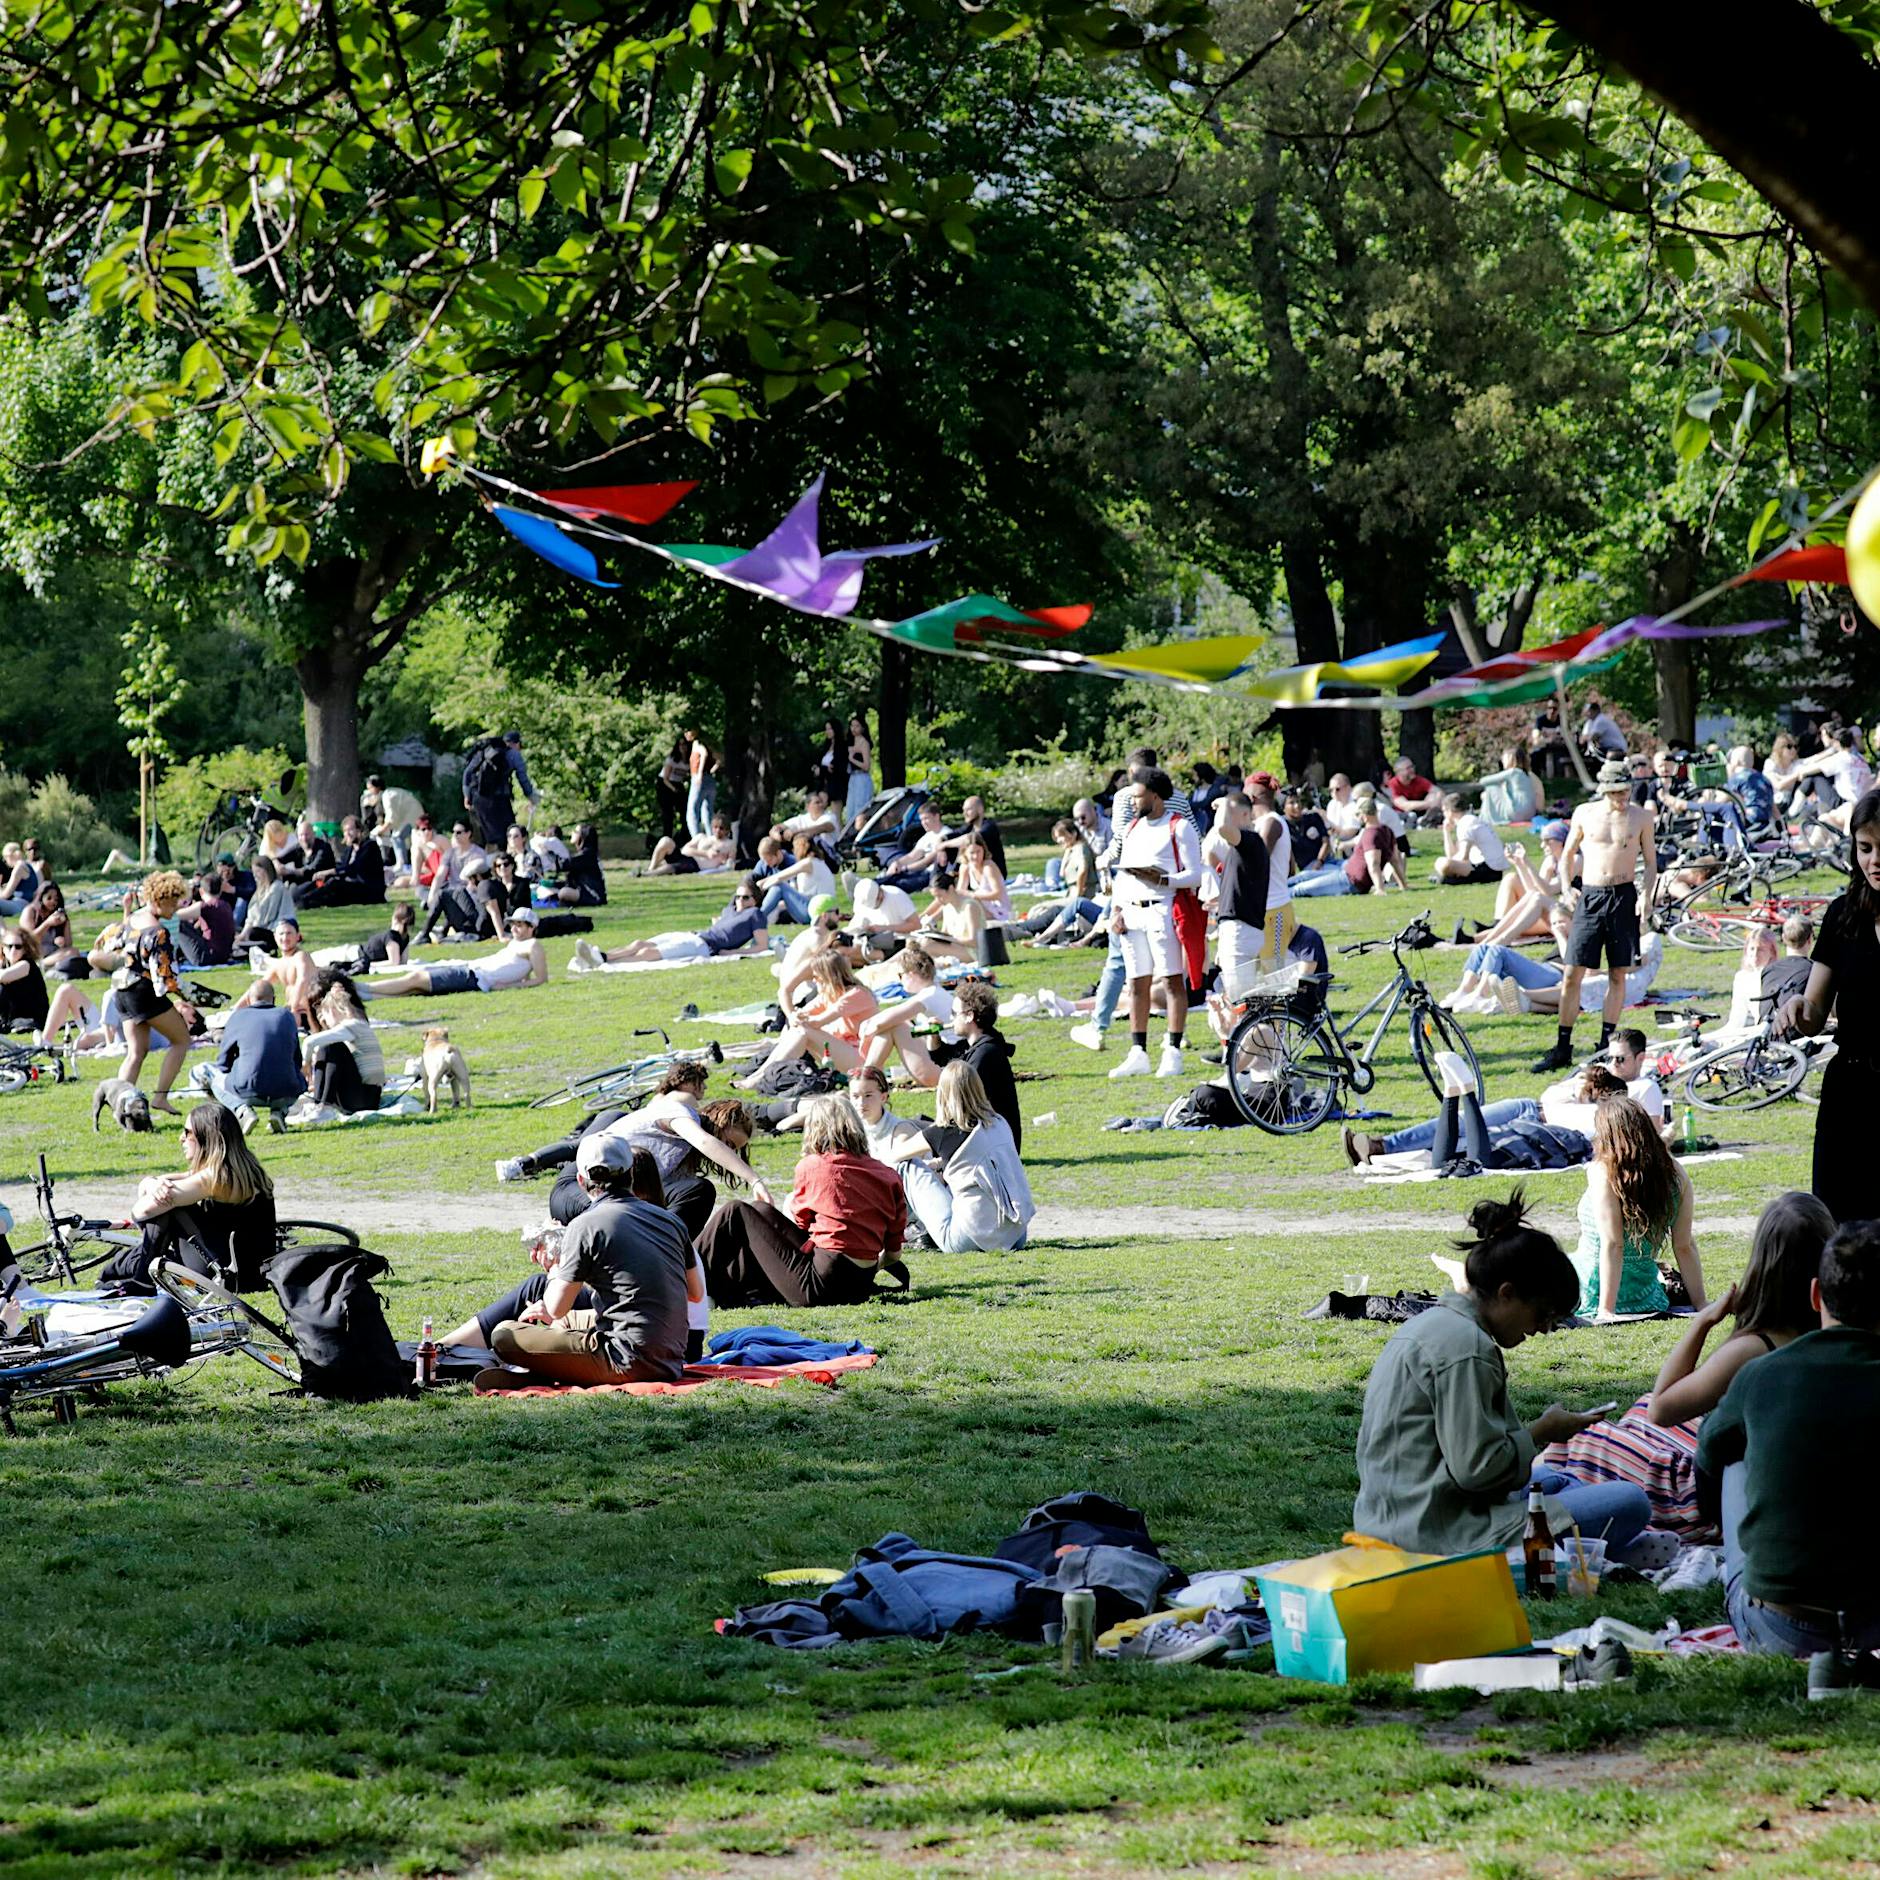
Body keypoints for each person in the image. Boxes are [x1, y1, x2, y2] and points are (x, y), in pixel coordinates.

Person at [1352, 1192, 1651, 1557]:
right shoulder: (1468, 1349)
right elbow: (1478, 1472)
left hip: (1391, 1515)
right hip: (1435, 1533)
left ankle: (1584, 1539)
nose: (1543, 1330)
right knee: (1630, 1502)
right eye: (1543, 1315)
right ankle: (1583, 1547)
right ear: (1507, 1293)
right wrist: (1542, 1432)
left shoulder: (1435, 1324)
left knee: (1557, 1480)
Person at [1539, 1192, 1833, 1541]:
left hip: (1707, 1501)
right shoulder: (1830, 1337)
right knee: (1643, 1407)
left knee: (1586, 1435)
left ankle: (1521, 1505)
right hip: (1769, 1479)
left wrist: (1702, 1322)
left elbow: (1663, 1409)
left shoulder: (1754, 1349)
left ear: (1762, 1264)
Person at [1697, 1217, 1880, 1663]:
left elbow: (1707, 1464)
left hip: (1780, 1627)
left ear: (1816, 1294)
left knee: (1735, 1455)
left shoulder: (1760, 1374)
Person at [483, 1134, 695, 1388]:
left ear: (581, 1180)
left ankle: (552, 1370)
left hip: (626, 1360)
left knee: (504, 1334)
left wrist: (554, 1269)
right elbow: (695, 1292)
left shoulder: (585, 1225)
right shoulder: (670, 1220)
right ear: (630, 1173)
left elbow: (555, 1307)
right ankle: (561, 1365)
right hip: (671, 1358)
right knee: (569, 1321)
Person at [1775, 788, 1880, 1224]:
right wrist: (1798, 1006)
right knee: (1842, 1228)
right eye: (1866, 848)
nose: (1875, 860)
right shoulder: (1842, 915)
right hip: (1851, 1092)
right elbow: (1815, 1014)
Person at [697, 1095, 907, 1308]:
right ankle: (720, 1289)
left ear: (814, 1129)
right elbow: (893, 1253)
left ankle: (681, 1271)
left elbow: (801, 1224)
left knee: (736, 1211)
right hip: (861, 1284)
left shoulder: (815, 1165)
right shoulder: (887, 1174)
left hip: (819, 1283)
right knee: (761, 1210)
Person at [1531, 758, 1656, 1072]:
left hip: (1624, 895)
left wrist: (1646, 895)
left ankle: (1605, 1043)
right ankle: (1563, 1045)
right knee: (1573, 972)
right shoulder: (1585, 813)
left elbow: (1651, 862)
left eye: (1625, 791)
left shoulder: (1641, 817)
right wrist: (1565, 885)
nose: (1622, 798)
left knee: (1618, 973)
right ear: (1604, 791)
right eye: (1615, 793)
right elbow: (1568, 853)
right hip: (1591, 895)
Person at [119, 1100, 278, 1292]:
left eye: (187, 1133)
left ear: (206, 1137)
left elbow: (141, 1211)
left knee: (172, 1206)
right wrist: (151, 1182)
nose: (181, 1138)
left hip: (228, 1277)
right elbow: (182, 1178)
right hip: (252, 1273)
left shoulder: (213, 1178)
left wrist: (153, 1189)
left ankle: (142, 1281)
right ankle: (141, 1276)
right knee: (169, 1203)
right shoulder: (244, 1169)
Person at [1572, 1095, 1704, 1319]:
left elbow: (1614, 1244)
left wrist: (1606, 1310)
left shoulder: (1602, 1173)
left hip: (1592, 1290)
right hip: (1644, 1295)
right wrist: (1701, 1303)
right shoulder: (1675, 1174)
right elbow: (1684, 1246)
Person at [1106, 766, 1200, 1081]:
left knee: (1173, 981)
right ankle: (1138, 1051)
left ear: (1155, 795)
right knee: (1136, 983)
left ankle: (1173, 1049)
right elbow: (1122, 873)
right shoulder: (1133, 827)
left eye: (1138, 796)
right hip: (1131, 912)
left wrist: (1163, 878)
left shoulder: (1179, 827)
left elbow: (1196, 874)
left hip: (1162, 908)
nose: (1133, 802)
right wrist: (1115, 910)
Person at [889, 1061, 1034, 1252]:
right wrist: (938, 1163)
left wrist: (926, 1162)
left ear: (943, 1093)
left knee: (907, 1167)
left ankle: (908, 1229)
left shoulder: (942, 1133)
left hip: (968, 1238)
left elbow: (896, 1155)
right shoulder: (999, 1123)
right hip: (1016, 1234)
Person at [115, 870, 199, 1113]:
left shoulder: (132, 919)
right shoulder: (159, 932)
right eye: (172, 903)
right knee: (182, 1039)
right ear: (160, 900)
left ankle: (120, 1104)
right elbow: (165, 981)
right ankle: (160, 1097)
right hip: (144, 993)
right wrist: (192, 998)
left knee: (136, 1052)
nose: (175, 909)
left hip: (123, 992)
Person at [735, 952, 880, 1089]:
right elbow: (802, 1013)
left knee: (804, 1031)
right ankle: (758, 1076)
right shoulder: (829, 995)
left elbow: (818, 1022)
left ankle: (759, 1078)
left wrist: (798, 1019)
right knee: (800, 1030)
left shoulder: (857, 994)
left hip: (862, 1060)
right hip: (843, 1052)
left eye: (817, 977)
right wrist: (795, 1016)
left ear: (828, 976)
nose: (814, 980)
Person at [369, 906, 548, 997]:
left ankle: (364, 989)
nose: (514, 928)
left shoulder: (533, 945)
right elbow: (520, 972)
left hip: (475, 977)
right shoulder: (516, 945)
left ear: (531, 927)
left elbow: (541, 980)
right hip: (472, 970)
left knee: (417, 979)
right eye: (513, 924)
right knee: (417, 985)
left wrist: (507, 986)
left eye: (519, 924)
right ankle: (368, 994)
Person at [574, 884, 770, 967]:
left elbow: (761, 946)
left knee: (649, 954)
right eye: (737, 896)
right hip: (694, 935)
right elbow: (724, 926)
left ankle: (606, 964)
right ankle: (603, 956)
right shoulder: (731, 909)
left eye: (746, 897)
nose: (740, 901)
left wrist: (734, 953)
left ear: (755, 900)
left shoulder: (755, 914)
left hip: (704, 947)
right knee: (639, 943)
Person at [928, 979, 1022, 1147]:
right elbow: (942, 1057)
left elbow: (964, 1104)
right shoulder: (977, 1045)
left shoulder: (986, 1053)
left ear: (969, 1016)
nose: (951, 1018)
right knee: (918, 1125)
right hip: (984, 1134)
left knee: (920, 1132)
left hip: (993, 1142)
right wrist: (933, 1035)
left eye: (954, 1013)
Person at [202, 980, 305, 1132]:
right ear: (274, 999)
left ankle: (242, 1111)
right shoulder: (287, 1016)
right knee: (294, 1075)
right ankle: (279, 1112)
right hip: (287, 1090)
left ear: (249, 1000)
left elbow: (223, 1063)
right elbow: (297, 1059)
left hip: (247, 1090)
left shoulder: (237, 1017)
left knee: (213, 1076)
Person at [853, 945, 956, 1082]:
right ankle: (868, 1076)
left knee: (897, 1026)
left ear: (911, 974)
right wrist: (869, 1025)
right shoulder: (935, 992)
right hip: (947, 1065)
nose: (899, 980)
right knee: (897, 1024)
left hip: (945, 1069)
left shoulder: (929, 995)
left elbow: (885, 1021)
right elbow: (893, 1013)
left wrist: (866, 1033)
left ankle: (867, 1078)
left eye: (900, 975)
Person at [1204, 792, 1272, 1000]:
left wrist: (1223, 802)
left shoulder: (1251, 841)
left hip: (1241, 931)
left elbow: (1222, 829)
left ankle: (1258, 1033)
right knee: (1236, 1001)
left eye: (1228, 812)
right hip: (1237, 930)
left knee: (1240, 1003)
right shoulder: (1245, 847)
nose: (1224, 815)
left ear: (1244, 815)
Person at [295, 969, 385, 1119]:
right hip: (370, 1096)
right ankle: (320, 1103)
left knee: (330, 1047)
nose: (321, 1018)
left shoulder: (350, 1027)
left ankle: (323, 1106)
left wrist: (305, 1064)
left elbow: (310, 1042)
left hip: (362, 1099)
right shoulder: (360, 1024)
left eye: (324, 1012)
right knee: (330, 1047)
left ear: (336, 1009)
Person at [1291, 798, 1405, 896]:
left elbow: (1373, 863)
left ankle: (1277, 896)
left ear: (1364, 815)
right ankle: (1275, 887)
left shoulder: (1371, 833)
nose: (1357, 818)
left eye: (1357, 815)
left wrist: (1380, 889)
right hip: (1346, 873)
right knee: (1304, 876)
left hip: (1351, 881)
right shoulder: (1387, 830)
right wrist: (1403, 885)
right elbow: (1394, 860)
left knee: (1301, 889)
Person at [1019, 819, 1101, 945]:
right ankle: (1030, 931)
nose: (1059, 840)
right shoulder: (1072, 850)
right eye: (1057, 838)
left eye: (1062, 836)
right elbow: (1062, 873)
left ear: (1073, 834)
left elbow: (1083, 870)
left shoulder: (1080, 848)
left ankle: (1025, 931)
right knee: (1041, 910)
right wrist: (1067, 852)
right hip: (1071, 893)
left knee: (1040, 908)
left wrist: (1079, 893)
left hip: (1081, 895)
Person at [231, 916, 318, 1027]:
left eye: (289, 933)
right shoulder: (279, 964)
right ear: (275, 937)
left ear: (298, 936)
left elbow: (303, 980)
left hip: (306, 1013)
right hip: (291, 1012)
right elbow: (258, 987)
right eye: (281, 934)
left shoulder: (302, 956)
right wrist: (236, 1009)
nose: (285, 937)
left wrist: (294, 1009)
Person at [417, 820, 487, 943]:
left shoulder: (478, 854)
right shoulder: (450, 854)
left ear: (468, 834)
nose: (455, 836)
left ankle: (433, 932)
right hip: (452, 896)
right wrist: (432, 895)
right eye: (453, 832)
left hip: (471, 901)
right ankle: (427, 933)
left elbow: (475, 885)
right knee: (432, 892)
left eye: (459, 832)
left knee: (448, 893)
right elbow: (440, 875)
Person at [296, 814, 387, 909]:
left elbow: (354, 868)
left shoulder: (370, 846)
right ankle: (305, 900)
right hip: (353, 888)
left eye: (350, 830)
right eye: (345, 831)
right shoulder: (350, 849)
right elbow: (341, 866)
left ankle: (304, 901)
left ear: (359, 830)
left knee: (335, 884)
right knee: (329, 884)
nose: (347, 833)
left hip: (369, 890)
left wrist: (329, 872)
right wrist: (325, 874)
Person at [760, 832, 837, 927]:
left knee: (780, 886)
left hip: (816, 911)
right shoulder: (818, 863)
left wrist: (762, 884)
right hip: (820, 910)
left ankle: (758, 916)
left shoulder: (809, 863)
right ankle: (761, 916)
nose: (793, 850)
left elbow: (780, 877)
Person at [910, 868, 986, 962]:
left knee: (926, 946)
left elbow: (974, 941)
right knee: (917, 943)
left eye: (940, 896)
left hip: (973, 952)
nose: (938, 900)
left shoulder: (969, 907)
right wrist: (933, 933)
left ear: (951, 888)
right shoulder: (947, 907)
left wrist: (951, 939)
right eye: (935, 897)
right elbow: (946, 934)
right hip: (957, 947)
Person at [1432, 793, 1507, 885]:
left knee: (1442, 863)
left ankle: (1445, 878)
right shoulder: (1470, 820)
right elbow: (1453, 854)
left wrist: (1448, 865)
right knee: (1446, 863)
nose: (1444, 815)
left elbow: (1463, 857)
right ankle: (1447, 878)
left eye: (1444, 811)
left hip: (1488, 868)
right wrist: (1446, 832)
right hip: (1493, 868)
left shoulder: (1466, 823)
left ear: (1450, 811)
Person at [878, 799, 950, 892]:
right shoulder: (928, 835)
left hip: (934, 874)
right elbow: (913, 855)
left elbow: (927, 861)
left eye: (926, 818)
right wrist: (897, 863)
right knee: (891, 878)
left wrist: (904, 868)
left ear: (936, 817)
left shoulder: (946, 834)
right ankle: (865, 884)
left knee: (899, 884)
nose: (923, 823)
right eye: (921, 820)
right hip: (921, 872)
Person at [361, 775, 425, 873]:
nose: (369, 791)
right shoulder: (386, 795)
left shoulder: (387, 796)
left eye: (370, 788)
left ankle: (403, 865)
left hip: (414, 817)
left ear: (377, 787)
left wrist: (381, 830)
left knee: (397, 837)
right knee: (396, 836)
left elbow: (391, 819)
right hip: (408, 817)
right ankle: (402, 864)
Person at [174, 873, 237, 967]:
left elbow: (175, 916)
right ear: (220, 890)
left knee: (179, 923)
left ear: (201, 891)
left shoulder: (205, 906)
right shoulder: (226, 905)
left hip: (205, 957)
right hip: (224, 955)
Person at [938, 794, 1007, 878]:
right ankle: (939, 879)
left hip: (992, 873)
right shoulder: (969, 827)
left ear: (980, 810)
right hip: (973, 872)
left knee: (953, 844)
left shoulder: (989, 827)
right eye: (964, 810)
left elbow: (970, 838)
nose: (965, 813)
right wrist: (942, 848)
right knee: (946, 846)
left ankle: (946, 879)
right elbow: (947, 837)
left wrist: (944, 844)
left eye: (968, 810)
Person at [644, 813, 734, 876]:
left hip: (695, 866)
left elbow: (730, 864)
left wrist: (724, 862)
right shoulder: (702, 837)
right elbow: (685, 850)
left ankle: (646, 874)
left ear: (727, 830)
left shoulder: (729, 844)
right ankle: (651, 868)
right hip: (686, 858)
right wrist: (706, 853)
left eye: (721, 828)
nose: (718, 830)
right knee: (665, 840)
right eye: (715, 827)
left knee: (672, 867)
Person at [543, 821, 606, 907]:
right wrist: (552, 883)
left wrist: (548, 852)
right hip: (583, 891)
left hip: (593, 896)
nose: (572, 833)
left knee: (563, 893)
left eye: (576, 832)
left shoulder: (587, 855)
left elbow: (565, 864)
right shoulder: (586, 854)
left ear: (583, 836)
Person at [0, 925, 49, 1036]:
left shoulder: (26, 965)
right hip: (10, 1018)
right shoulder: (4, 964)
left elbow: (3, 977)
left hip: (30, 1018)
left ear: (25, 949)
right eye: (9, 946)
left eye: (18, 947)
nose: (13, 950)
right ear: (3, 948)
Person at [1477, 747, 1542, 826]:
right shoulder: (1525, 774)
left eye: (1504, 758)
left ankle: (1486, 818)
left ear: (1511, 758)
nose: (1502, 761)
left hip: (1518, 814)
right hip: (1530, 813)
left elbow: (1484, 781)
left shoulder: (1513, 772)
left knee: (1492, 787)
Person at [958, 832, 1012, 925]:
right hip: (982, 906)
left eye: (978, 852)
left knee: (969, 902)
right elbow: (959, 891)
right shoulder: (965, 867)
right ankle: (928, 917)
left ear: (984, 850)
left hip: (998, 910)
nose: (975, 856)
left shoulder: (988, 866)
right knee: (946, 895)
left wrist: (973, 895)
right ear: (965, 853)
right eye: (971, 853)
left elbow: (997, 894)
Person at [1385, 754, 1442, 827]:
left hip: (1421, 811)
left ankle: (1427, 819)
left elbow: (1438, 791)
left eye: (1412, 766)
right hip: (1403, 815)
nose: (1412, 769)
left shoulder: (1418, 780)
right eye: (1408, 768)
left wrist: (1437, 799)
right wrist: (1430, 804)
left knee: (1433, 795)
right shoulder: (1392, 784)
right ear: (1399, 772)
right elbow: (1405, 805)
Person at [1280, 789, 1330, 870]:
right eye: (1291, 803)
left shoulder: (1313, 817)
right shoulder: (1283, 826)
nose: (1297, 805)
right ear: (1283, 808)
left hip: (1325, 860)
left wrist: (1319, 861)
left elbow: (1326, 842)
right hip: (1309, 866)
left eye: (1298, 801)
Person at [655, 736, 691, 842]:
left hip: (678, 784)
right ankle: (667, 838)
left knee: (684, 811)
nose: (683, 747)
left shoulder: (689, 760)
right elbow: (665, 779)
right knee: (668, 814)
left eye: (684, 744)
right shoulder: (672, 759)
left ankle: (684, 836)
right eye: (680, 745)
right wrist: (673, 789)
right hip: (665, 785)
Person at [684, 729, 717, 838]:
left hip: (699, 779)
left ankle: (697, 839)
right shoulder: (708, 744)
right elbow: (720, 758)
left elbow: (704, 754)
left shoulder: (697, 744)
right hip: (710, 779)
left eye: (688, 731)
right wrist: (712, 769)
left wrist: (699, 773)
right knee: (707, 812)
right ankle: (712, 838)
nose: (686, 734)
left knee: (692, 812)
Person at [1763, 731, 1804, 812]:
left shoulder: (1795, 764)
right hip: (1770, 803)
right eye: (1789, 746)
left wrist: (1831, 751)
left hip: (1787, 802)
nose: (1793, 750)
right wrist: (1796, 775)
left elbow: (1814, 759)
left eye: (1795, 747)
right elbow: (1778, 786)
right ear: (1780, 748)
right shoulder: (1770, 763)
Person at [845, 713, 875, 825]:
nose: (854, 729)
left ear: (862, 728)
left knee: (860, 807)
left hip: (861, 777)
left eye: (857, 726)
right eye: (852, 726)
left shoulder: (864, 743)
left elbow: (867, 766)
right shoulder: (851, 742)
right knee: (850, 806)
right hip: (852, 777)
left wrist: (852, 759)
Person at [1579, 695, 1627, 759]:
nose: (1587, 713)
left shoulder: (1601, 720)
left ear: (1595, 710)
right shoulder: (1590, 722)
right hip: (1606, 749)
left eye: (1589, 711)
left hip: (1617, 749)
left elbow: (1593, 737)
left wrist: (1584, 738)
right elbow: (1582, 740)